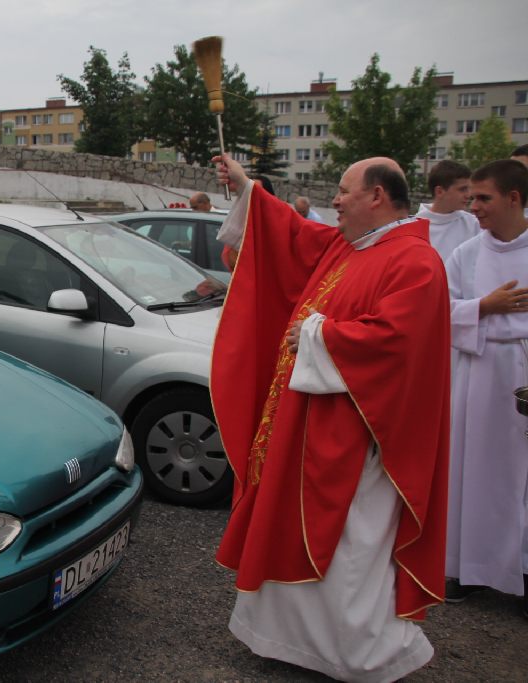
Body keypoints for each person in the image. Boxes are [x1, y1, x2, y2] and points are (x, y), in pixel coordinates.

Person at [210, 153, 450, 681]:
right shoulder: (352, 244)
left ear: (378, 197)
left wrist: (320, 336)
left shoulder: (415, 262)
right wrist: (250, 188)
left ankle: (354, 655)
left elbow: (398, 344)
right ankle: (282, 637)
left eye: (344, 191)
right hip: (303, 428)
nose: (334, 201)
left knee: (348, 546)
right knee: (289, 524)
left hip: (359, 441)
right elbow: (293, 239)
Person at [443, 159, 528, 619]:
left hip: (523, 373)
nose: (474, 207)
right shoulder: (468, 253)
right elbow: (440, 307)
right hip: (476, 373)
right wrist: (485, 306)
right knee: (472, 472)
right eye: (471, 197)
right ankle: (467, 568)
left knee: (523, 480)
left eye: (484, 198)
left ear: (514, 198)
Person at [415, 160, 479, 263]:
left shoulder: (474, 225)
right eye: (462, 189)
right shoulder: (414, 227)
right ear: (439, 191)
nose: (468, 195)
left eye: (469, 189)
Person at [221, 176, 275, 273]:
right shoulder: (240, 223)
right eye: (248, 191)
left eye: (255, 192)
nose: (250, 196)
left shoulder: (275, 226)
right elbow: (233, 261)